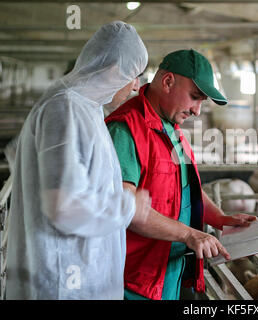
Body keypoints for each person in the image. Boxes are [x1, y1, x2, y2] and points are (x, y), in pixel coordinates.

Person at [5, 21, 152, 299]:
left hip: (83, 274)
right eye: (134, 75)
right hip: (65, 279)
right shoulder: (65, 108)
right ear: (113, 70)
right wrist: (126, 206)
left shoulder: (87, 108)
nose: (136, 87)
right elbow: (63, 207)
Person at [105, 49, 258, 300]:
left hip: (168, 272)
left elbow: (186, 190)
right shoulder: (125, 129)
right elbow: (125, 208)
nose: (197, 110)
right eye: (195, 97)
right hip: (133, 280)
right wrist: (189, 234)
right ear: (167, 82)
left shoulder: (172, 130)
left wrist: (219, 218)